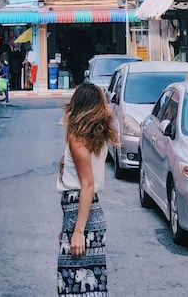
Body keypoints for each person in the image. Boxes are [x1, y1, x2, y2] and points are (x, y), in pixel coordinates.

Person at [56, 83, 115, 296]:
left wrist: (77, 231)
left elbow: (87, 184)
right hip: (86, 213)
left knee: (71, 286)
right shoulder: (94, 138)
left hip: (82, 215)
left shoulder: (78, 139)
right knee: (91, 288)